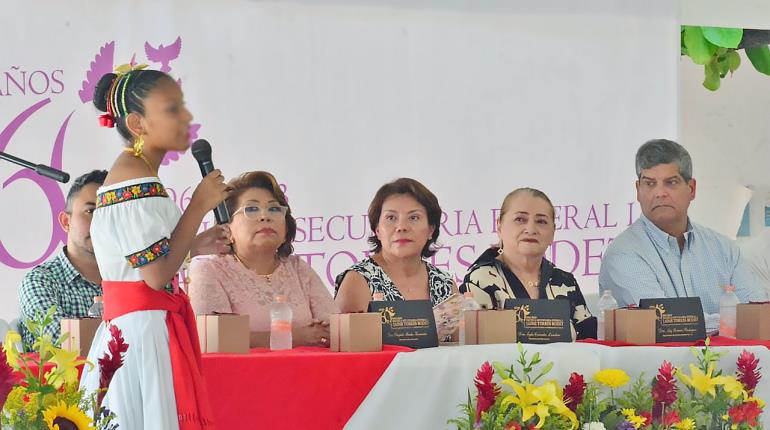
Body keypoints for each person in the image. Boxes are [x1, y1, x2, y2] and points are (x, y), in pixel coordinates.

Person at [79, 64, 227, 429]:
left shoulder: (132, 172)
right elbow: (156, 275)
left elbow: (143, 260)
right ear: (137, 123)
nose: (186, 117)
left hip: (133, 332)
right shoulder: (136, 179)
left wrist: (193, 245)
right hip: (142, 338)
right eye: (171, 108)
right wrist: (198, 205)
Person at [599, 139, 766, 331]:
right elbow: (664, 323)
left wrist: (739, 322)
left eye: (671, 182)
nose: (659, 193)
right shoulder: (623, 254)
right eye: (650, 184)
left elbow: (759, 315)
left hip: (731, 360)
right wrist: (732, 322)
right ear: (638, 190)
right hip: (658, 361)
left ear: (692, 189)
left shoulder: (724, 249)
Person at [188, 171, 337, 347]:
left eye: (274, 209)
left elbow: (333, 329)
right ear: (226, 229)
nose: (265, 216)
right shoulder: (210, 270)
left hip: (307, 371)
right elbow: (212, 339)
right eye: (251, 209)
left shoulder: (298, 268)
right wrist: (295, 337)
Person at [460, 188, 597, 340]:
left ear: (553, 232)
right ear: (499, 226)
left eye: (541, 221)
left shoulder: (565, 281)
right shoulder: (480, 280)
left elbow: (589, 344)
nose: (531, 229)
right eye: (520, 219)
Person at [335, 177, 457, 312]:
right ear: (377, 230)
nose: (401, 227)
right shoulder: (358, 281)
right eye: (391, 218)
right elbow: (342, 333)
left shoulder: (446, 285)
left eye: (414, 217)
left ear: (431, 230)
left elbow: (463, 333)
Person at [18, 170, 106, 350]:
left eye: (110, 211)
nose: (102, 221)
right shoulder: (40, 281)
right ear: (66, 221)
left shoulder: (136, 276)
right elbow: (66, 344)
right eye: (90, 211)